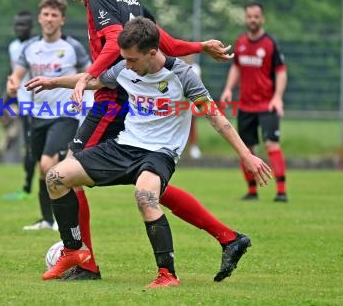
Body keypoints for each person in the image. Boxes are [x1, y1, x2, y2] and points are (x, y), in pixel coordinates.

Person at [29, 0, 237, 280]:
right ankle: (229, 238)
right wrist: (200, 46)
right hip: (128, 91)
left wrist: (86, 76)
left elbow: (113, 43)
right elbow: (163, 41)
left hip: (113, 97)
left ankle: (84, 262)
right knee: (151, 188)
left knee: (68, 171)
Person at [37, 17, 272, 287]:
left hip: (159, 153)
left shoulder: (182, 75)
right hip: (124, 146)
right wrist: (53, 82)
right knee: (55, 177)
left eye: (132, 59)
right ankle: (74, 250)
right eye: (124, 58)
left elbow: (216, 117)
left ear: (152, 53)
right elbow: (92, 81)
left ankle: (167, 275)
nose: (126, 65)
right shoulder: (125, 67)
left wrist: (246, 155)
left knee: (145, 196)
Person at [7, 0, 90, 230]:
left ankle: (64, 220)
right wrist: (12, 84)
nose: (50, 19)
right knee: (42, 169)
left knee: (47, 163)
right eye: (46, 14)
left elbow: (90, 74)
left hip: (65, 115)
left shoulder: (72, 47)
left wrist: (84, 92)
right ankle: (47, 219)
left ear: (62, 20)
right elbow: (17, 75)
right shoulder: (30, 48)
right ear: (40, 18)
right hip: (38, 115)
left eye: (55, 15)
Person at [220, 1, 289, 202]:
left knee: (271, 145)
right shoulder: (240, 42)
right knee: (247, 149)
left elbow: (281, 71)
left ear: (262, 18)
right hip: (246, 105)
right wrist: (228, 89)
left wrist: (277, 97)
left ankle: (282, 191)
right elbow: (236, 67)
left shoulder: (270, 43)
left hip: (267, 105)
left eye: (256, 16)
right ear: (245, 18)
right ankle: (252, 191)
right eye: (249, 16)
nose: (253, 20)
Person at [2, 11, 37, 200]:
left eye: (23, 25)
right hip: (25, 104)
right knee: (29, 147)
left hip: (42, 104)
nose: (19, 29)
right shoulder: (13, 47)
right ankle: (26, 187)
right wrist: (4, 104)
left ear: (31, 27)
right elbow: (13, 74)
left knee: (41, 149)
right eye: (17, 25)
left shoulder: (37, 45)